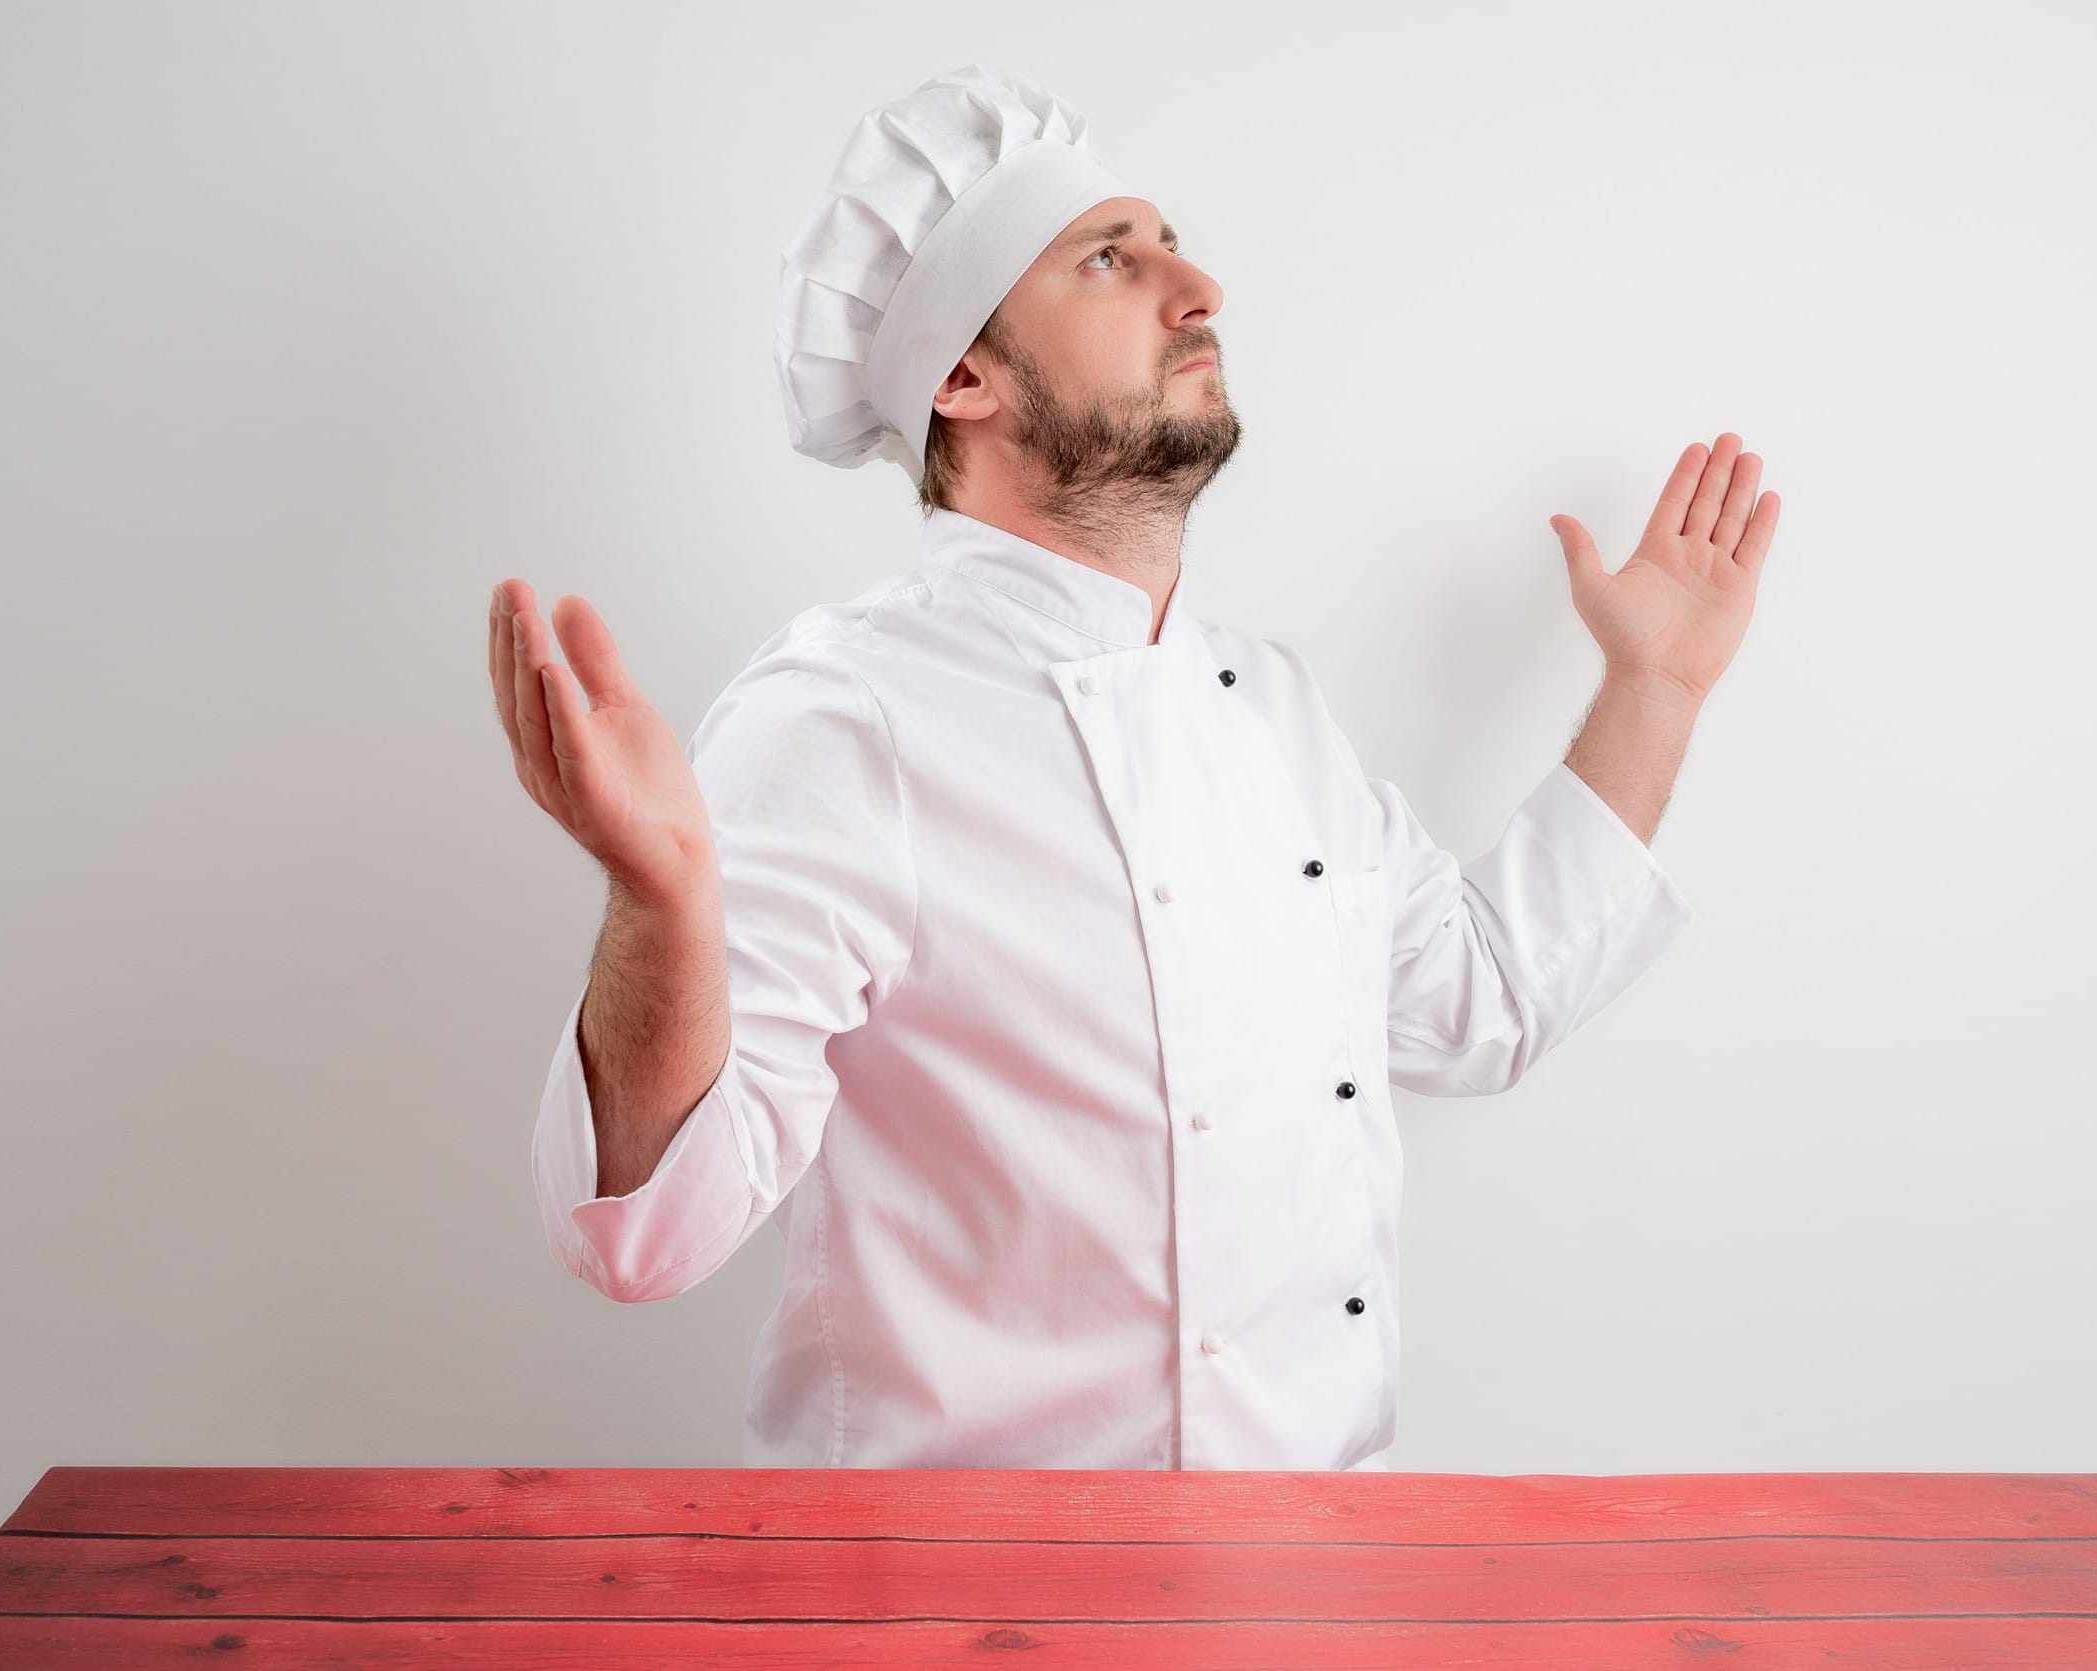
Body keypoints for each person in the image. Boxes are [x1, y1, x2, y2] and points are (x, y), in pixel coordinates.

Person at [487, 65, 1781, 1472]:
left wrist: (1654, 689)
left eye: (1171, 242)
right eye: (1112, 257)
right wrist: (661, 900)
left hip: (1310, 1584)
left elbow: (1479, 1002)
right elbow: (645, 1233)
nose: (1199, 286)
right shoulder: (844, 715)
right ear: (963, 375)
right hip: (959, 1600)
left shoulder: (1271, 709)